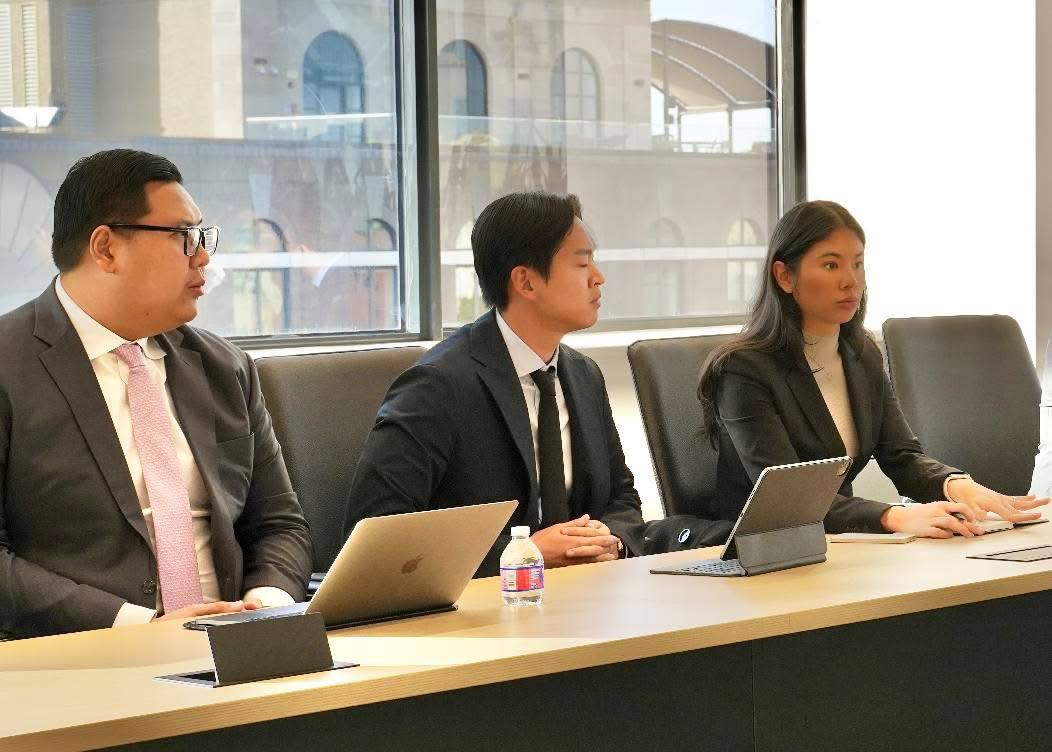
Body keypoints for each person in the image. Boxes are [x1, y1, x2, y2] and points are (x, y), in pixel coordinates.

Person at [0, 149, 312, 638]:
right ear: (106, 249)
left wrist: (265, 603)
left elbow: (278, 524)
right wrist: (142, 627)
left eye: (203, 237)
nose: (203, 256)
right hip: (86, 654)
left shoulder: (225, 368)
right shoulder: (8, 366)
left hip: (239, 643)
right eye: (184, 237)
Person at [345, 191, 729, 576]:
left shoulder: (583, 375)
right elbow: (377, 535)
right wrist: (523, 553)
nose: (598, 278)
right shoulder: (438, 386)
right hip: (481, 603)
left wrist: (609, 539)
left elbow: (621, 498)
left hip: (584, 592)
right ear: (526, 282)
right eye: (582, 264)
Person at [698, 200, 1047, 537]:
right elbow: (789, 498)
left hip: (839, 544)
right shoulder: (743, 371)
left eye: (858, 264)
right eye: (831, 266)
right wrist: (894, 516)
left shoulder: (861, 354)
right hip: (759, 551)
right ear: (784, 276)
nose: (850, 281)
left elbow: (901, 456)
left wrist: (956, 485)